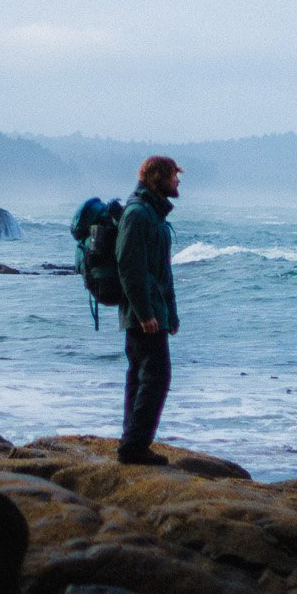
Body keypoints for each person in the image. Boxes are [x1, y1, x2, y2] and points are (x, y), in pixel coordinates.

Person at [115, 154, 180, 463]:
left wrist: (172, 314)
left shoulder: (153, 215)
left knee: (141, 376)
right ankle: (134, 447)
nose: (177, 181)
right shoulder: (138, 214)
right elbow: (130, 268)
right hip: (144, 316)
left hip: (153, 313)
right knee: (156, 377)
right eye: (173, 176)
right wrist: (145, 313)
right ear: (158, 179)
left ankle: (132, 441)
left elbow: (161, 273)